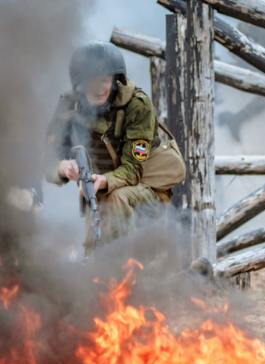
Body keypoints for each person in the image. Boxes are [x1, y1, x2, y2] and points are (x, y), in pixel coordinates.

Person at [44, 41, 185, 255]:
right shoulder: (69, 107)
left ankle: (120, 268)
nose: (101, 88)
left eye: (105, 80)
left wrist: (105, 181)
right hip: (102, 184)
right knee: (95, 244)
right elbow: (45, 160)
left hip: (147, 180)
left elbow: (133, 169)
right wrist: (63, 168)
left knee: (116, 200)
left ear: (115, 79)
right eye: (93, 81)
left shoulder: (136, 105)